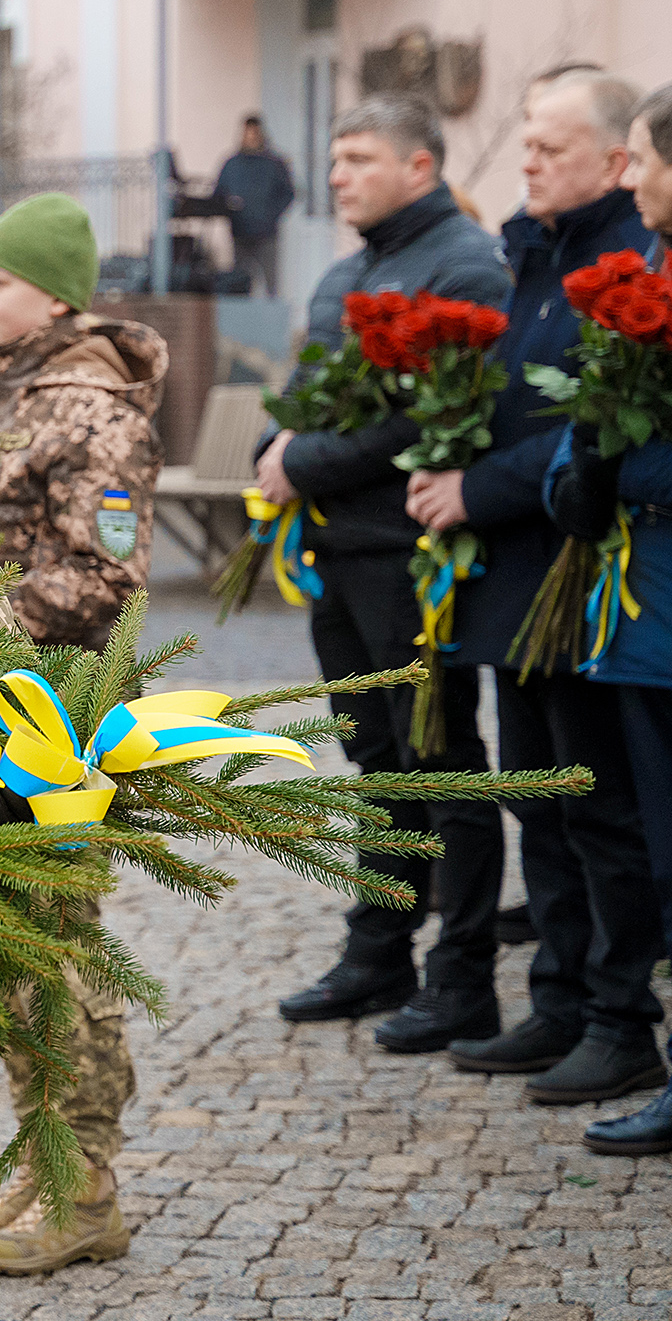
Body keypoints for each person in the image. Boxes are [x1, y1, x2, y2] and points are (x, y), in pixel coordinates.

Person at [406, 70, 666, 1106]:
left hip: (579, 567)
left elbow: (585, 424)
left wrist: (477, 486)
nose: (527, 164)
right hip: (522, 571)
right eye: (525, 145)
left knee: (595, 811)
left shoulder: (629, 262)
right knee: (538, 799)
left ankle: (613, 1008)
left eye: (550, 149)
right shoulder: (538, 253)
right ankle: (559, 1001)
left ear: (616, 159)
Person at [0, 191, 160, 1275]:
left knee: (55, 952)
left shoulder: (90, 411)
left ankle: (86, 1188)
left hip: (52, 720)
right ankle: (38, 1162)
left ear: (57, 295)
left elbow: (107, 575)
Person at [257, 94, 509, 1054]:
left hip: (413, 560)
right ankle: (380, 950)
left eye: (358, 158)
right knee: (374, 761)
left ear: (421, 165)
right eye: (333, 159)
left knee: (444, 766)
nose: (336, 175)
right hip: (340, 550)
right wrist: (279, 444)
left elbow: (433, 417)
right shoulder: (345, 272)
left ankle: (464, 975)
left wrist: (303, 462)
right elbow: (319, 395)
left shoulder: (464, 263)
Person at [537, 85, 672, 1161]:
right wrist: (575, 476)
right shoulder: (644, 282)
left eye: (646, 160)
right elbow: (579, 421)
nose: (632, 178)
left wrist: (624, 469)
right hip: (636, 623)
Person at [215, 114, 297, 296]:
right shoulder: (232, 164)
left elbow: (288, 193)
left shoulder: (274, 164)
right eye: (247, 133)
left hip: (266, 234)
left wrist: (271, 215)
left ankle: (271, 321)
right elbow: (219, 194)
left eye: (254, 133)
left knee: (271, 283)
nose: (250, 137)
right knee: (239, 281)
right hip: (239, 233)